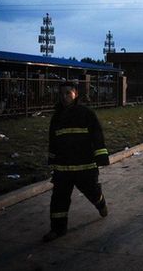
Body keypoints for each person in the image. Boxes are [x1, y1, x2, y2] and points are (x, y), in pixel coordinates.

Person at [43, 81, 110, 242]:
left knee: (92, 192)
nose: (64, 97)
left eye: (68, 93)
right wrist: (52, 159)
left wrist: (101, 156)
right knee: (59, 198)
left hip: (84, 166)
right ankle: (57, 229)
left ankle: (100, 203)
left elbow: (97, 135)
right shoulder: (57, 117)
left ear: (76, 94)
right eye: (61, 94)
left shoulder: (86, 113)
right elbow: (53, 140)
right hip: (63, 167)